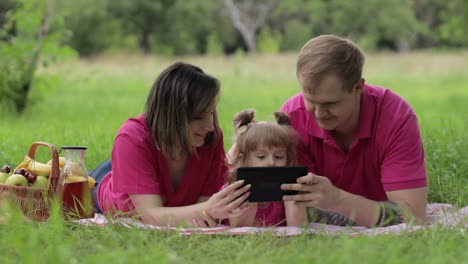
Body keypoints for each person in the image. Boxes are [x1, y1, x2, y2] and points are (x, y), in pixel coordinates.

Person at [279, 35, 428, 227]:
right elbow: (295, 207)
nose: (318, 113)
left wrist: (338, 200)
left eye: (330, 103)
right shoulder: (292, 119)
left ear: (358, 87)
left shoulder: (397, 118)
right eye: (310, 100)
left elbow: (413, 217)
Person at [91, 62, 250, 227]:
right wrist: (207, 210)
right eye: (199, 117)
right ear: (172, 115)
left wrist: (212, 210)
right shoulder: (132, 137)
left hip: (145, 161)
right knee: (77, 181)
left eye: (211, 113)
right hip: (107, 181)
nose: (210, 126)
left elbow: (205, 213)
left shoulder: (211, 138)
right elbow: (151, 216)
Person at [224, 109, 308, 227]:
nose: (271, 162)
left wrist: (293, 198)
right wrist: (250, 195)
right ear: (244, 160)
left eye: (279, 157)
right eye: (261, 157)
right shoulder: (233, 189)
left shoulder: (285, 190)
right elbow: (239, 232)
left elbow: (299, 229)